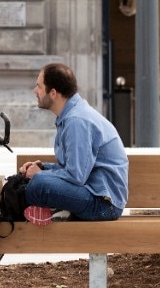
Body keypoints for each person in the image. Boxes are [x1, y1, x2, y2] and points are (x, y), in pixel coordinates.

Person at [17, 63, 128, 226]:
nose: (35, 91)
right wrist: (43, 168)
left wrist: (39, 175)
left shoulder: (77, 121)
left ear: (53, 93)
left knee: (39, 185)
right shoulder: (71, 116)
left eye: (39, 87)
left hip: (103, 205)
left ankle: (47, 210)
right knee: (28, 181)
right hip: (92, 193)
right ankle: (49, 210)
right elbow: (73, 169)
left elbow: (76, 176)